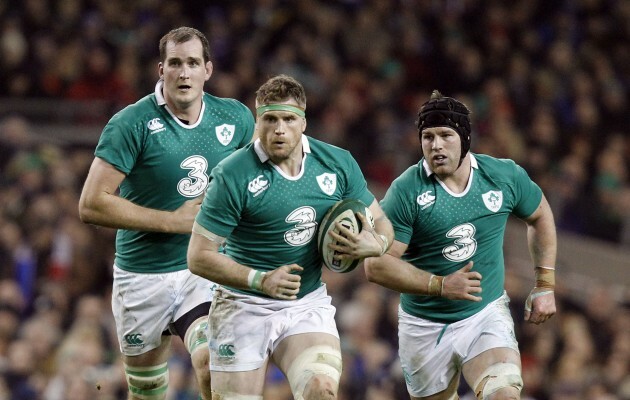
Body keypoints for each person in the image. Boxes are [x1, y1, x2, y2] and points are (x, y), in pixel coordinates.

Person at [187, 74, 394, 400]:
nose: (279, 128)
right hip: (241, 305)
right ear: (258, 121)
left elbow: (381, 222)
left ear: (304, 122)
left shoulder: (337, 164)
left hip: (304, 304)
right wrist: (260, 280)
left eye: (288, 119)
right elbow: (198, 256)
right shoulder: (232, 175)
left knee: (320, 389)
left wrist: (377, 243)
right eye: (270, 119)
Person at [78, 27, 255, 400]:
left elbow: (260, 180)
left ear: (208, 69)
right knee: (147, 392)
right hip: (141, 276)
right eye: (175, 63)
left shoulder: (236, 119)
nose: (184, 72)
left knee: (210, 362)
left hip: (201, 267)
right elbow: (91, 203)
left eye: (193, 63)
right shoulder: (131, 123)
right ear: (161, 70)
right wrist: (173, 221)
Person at [363, 90, 557, 400]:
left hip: (483, 314)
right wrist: (439, 284)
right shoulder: (405, 191)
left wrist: (544, 283)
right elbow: (376, 265)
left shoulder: (503, 176)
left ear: (465, 138)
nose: (435, 145)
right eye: (427, 136)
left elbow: (540, 215)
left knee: (503, 394)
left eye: (445, 135)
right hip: (424, 324)